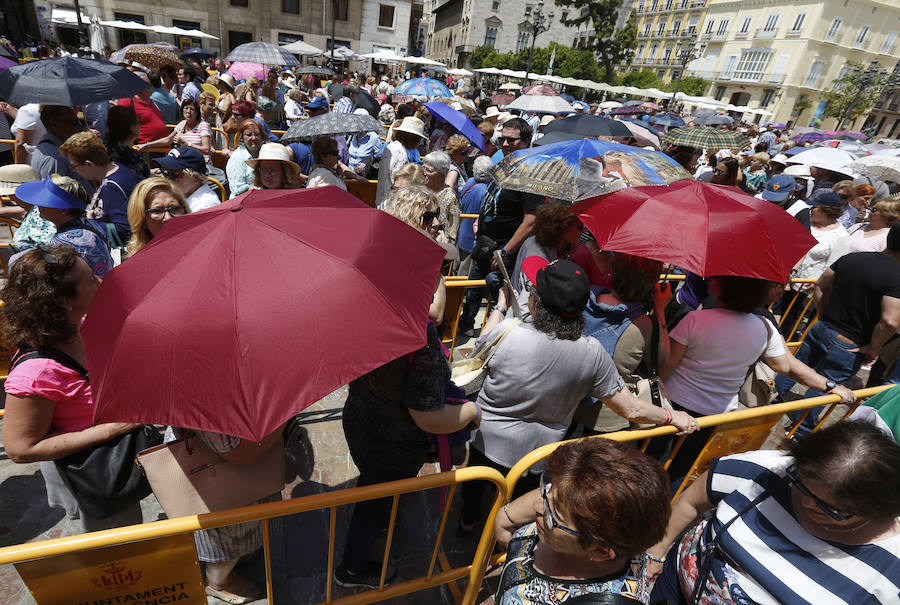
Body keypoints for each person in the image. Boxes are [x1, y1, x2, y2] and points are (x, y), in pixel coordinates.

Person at [460, 257, 697, 529]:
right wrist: (671, 416)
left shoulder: (509, 333)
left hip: (488, 442)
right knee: (517, 505)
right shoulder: (591, 352)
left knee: (474, 494)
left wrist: (501, 305)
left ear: (535, 303)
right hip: (538, 456)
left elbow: (479, 346)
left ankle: (468, 526)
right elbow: (630, 407)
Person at [335, 233, 480, 586]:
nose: (439, 280)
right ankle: (352, 569)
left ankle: (383, 512)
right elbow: (429, 416)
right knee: (373, 498)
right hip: (392, 444)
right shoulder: (421, 340)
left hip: (361, 422)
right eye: (435, 274)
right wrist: (472, 412)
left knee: (374, 487)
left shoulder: (366, 312)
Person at [647, 421, 900, 604]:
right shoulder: (772, 469)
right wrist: (656, 553)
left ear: (877, 508)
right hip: (672, 587)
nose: (807, 504)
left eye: (829, 508)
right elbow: (692, 500)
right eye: (799, 483)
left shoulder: (892, 568)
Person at [1, 245, 145, 532]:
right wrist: (109, 429)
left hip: (113, 463)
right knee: (113, 557)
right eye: (92, 280)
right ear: (66, 301)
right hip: (89, 479)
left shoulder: (79, 325)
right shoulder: (37, 372)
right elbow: (20, 449)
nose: (101, 283)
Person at [494, 438, 670, 605]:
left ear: (600, 551)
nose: (536, 506)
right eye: (547, 489)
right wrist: (504, 517)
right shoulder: (615, 527)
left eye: (554, 513)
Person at [659, 275, 791, 478]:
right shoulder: (765, 327)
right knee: (682, 467)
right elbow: (783, 364)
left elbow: (669, 364)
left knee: (656, 458)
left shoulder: (695, 319)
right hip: (716, 409)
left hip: (675, 401)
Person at [776, 223, 900, 434]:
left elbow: (821, 285)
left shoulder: (854, 258)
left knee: (794, 367)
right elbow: (889, 321)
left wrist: (823, 315)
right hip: (849, 344)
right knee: (827, 386)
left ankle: (770, 406)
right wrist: (874, 348)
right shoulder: (897, 277)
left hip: (822, 328)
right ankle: (800, 430)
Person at [459, 117, 542, 335]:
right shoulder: (503, 165)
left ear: (526, 142)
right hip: (484, 244)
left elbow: (531, 220)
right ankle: (467, 326)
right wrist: (479, 219)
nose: (505, 144)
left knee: (500, 303)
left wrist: (506, 251)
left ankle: (494, 343)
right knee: (472, 292)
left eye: (511, 141)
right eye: (502, 139)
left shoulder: (529, 175)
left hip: (504, 254)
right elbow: (491, 198)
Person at [576, 254, 671, 434]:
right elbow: (661, 361)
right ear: (649, 285)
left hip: (571, 399)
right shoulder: (643, 324)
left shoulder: (585, 298)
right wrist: (660, 310)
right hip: (609, 414)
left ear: (614, 270)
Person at [14, 175, 113, 278]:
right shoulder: (91, 223)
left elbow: (52, 278)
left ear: (63, 210)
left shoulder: (60, 243)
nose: (38, 205)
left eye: (45, 202)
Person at [59, 131, 141, 243]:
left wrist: (91, 221)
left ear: (88, 164)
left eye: (74, 167)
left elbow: (124, 230)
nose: (75, 172)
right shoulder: (118, 168)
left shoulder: (111, 188)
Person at [126, 176, 190, 257]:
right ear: (142, 219)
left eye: (174, 208)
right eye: (157, 211)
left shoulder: (201, 249)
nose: (168, 218)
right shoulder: (136, 265)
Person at [138, 98, 212, 165]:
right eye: (186, 108)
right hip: (184, 163)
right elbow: (167, 140)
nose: (188, 111)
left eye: (192, 109)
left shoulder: (203, 126)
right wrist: (147, 145)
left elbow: (206, 150)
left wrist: (187, 144)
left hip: (200, 164)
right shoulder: (182, 124)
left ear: (197, 113)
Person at [375, 116, 428, 207]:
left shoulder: (391, 147)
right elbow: (398, 183)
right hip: (392, 204)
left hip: (384, 200)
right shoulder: (400, 153)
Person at [153, 147, 220, 211]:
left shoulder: (204, 206)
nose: (169, 179)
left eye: (175, 174)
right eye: (166, 173)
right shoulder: (183, 195)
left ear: (196, 177)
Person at [117, 72, 170, 145]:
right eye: (144, 84)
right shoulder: (127, 101)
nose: (148, 87)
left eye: (149, 84)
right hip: (145, 149)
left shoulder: (150, 101)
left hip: (161, 147)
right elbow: (121, 126)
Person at [458, 156, 492, 264]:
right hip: (471, 239)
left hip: (462, 234)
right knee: (463, 276)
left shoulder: (470, 182)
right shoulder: (486, 191)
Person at [422, 151, 461, 246]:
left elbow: (452, 233)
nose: (424, 173)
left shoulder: (449, 197)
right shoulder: (420, 189)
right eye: (423, 168)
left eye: (429, 170)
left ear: (442, 175)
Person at [105, 105, 149, 178]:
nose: (140, 125)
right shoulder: (123, 154)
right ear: (130, 127)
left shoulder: (113, 146)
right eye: (138, 122)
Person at [226, 120, 265, 198]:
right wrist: (251, 188)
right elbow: (237, 188)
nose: (253, 138)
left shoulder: (266, 151)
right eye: (249, 135)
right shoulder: (237, 157)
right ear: (242, 137)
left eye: (257, 134)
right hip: (242, 199)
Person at [347, 108, 380, 176]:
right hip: (349, 175)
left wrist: (366, 166)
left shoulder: (374, 138)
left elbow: (379, 158)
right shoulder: (351, 136)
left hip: (364, 178)